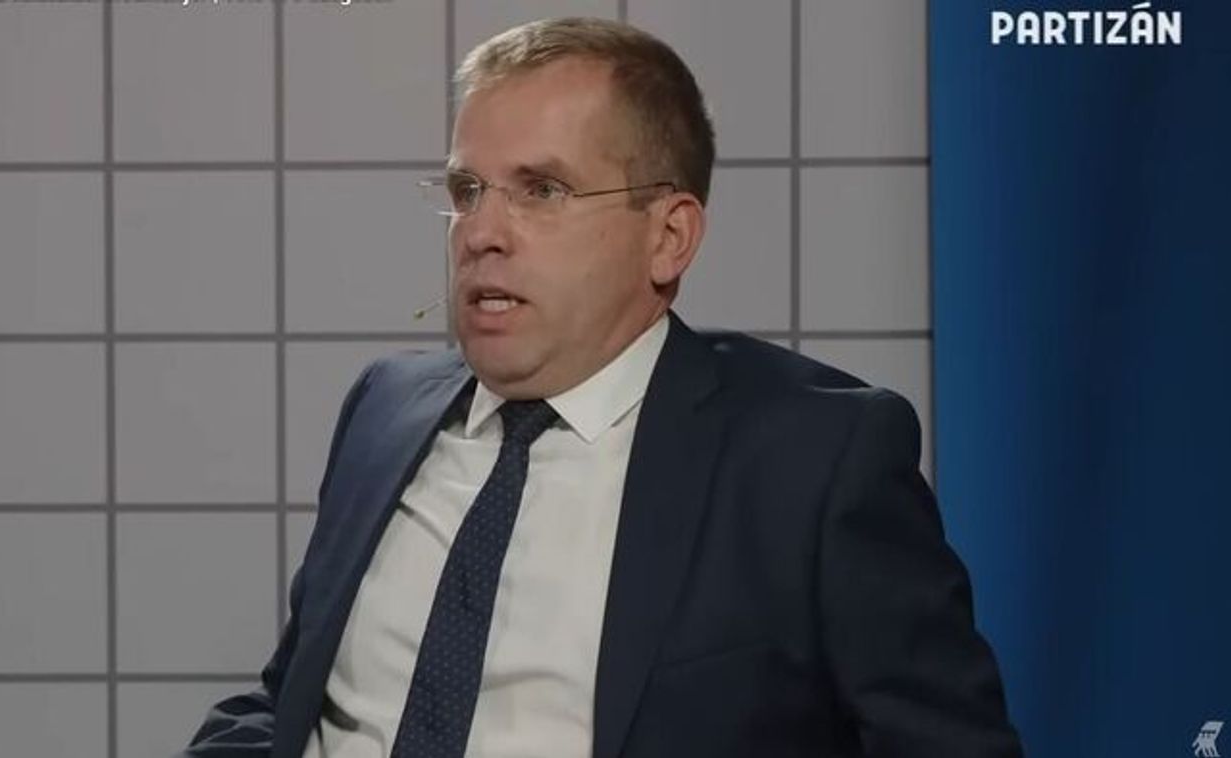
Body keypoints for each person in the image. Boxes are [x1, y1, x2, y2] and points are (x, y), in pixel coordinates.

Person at [181, 17, 1023, 758]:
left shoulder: (812, 459)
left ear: (668, 237)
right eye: (466, 191)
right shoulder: (383, 409)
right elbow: (292, 703)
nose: (480, 232)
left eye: (541, 190)